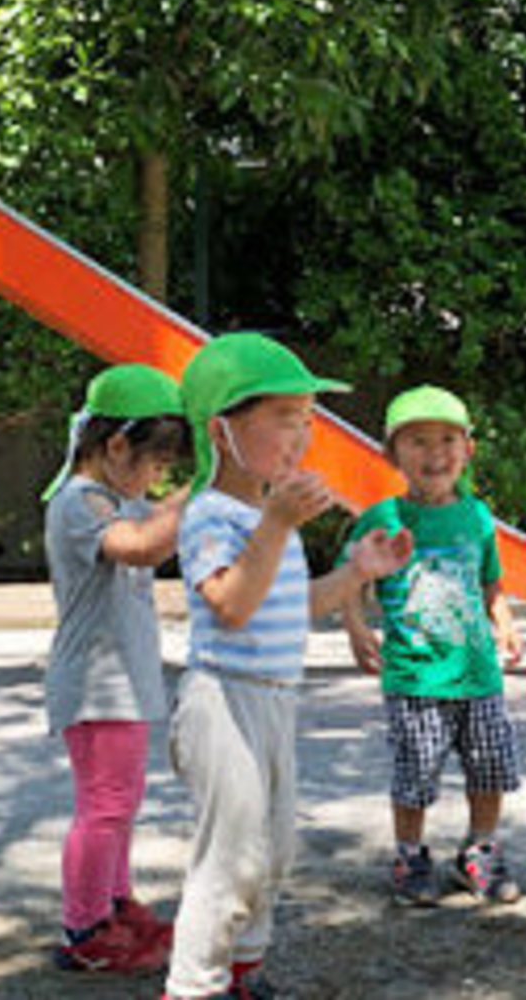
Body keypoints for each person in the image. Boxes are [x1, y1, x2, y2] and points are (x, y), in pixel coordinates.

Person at [162, 333, 414, 1000]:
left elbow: (293, 604)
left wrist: (356, 573)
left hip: (273, 699)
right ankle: (194, 985)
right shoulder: (212, 514)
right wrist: (274, 525)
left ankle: (244, 971)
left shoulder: (267, 516)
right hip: (224, 703)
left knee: (272, 852)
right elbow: (233, 606)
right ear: (222, 431)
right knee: (229, 859)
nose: (302, 435)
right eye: (283, 417)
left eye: (307, 418)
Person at [338, 385, 526, 907]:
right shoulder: (382, 519)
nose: (434, 453)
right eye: (416, 441)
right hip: (415, 676)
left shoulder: (477, 516)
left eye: (447, 439)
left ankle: (480, 851)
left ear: (469, 450)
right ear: (390, 453)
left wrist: (504, 623)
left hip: (478, 674)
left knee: (490, 765)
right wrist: (356, 629)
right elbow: (347, 581)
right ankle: (410, 853)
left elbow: (491, 581)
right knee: (415, 773)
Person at [42, 363, 189, 974]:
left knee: (117, 803)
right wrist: (206, 486)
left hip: (120, 686)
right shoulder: (80, 501)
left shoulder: (117, 495)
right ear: (116, 445)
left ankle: (113, 902)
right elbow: (144, 544)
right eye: (155, 464)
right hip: (98, 689)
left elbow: (159, 523)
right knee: (105, 805)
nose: (158, 480)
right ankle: (84, 928)